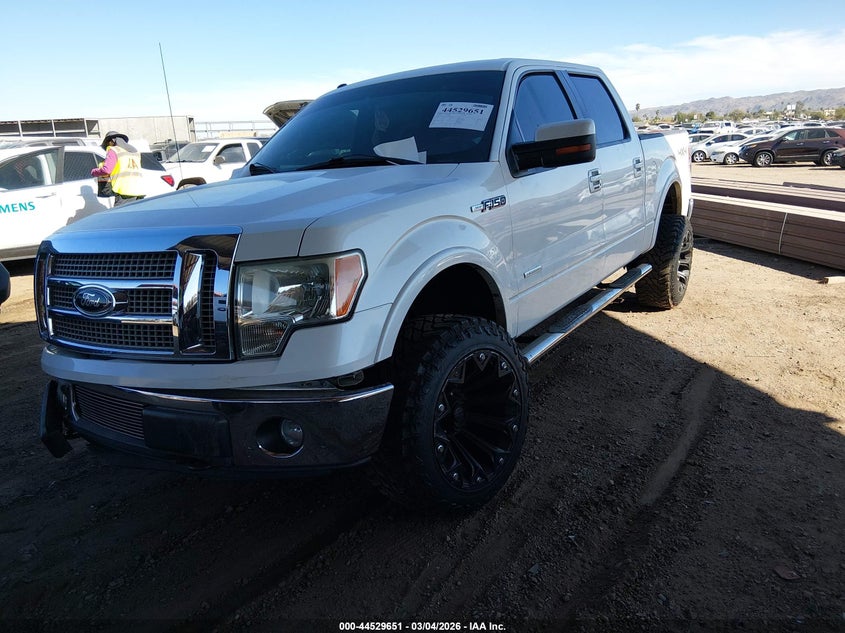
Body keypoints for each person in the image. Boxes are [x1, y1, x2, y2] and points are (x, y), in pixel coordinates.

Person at [91, 131, 145, 206]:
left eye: (107, 144)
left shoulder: (113, 150)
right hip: (139, 191)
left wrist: (94, 172)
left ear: (111, 141)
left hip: (125, 192)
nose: (107, 146)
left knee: (119, 216)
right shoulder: (135, 152)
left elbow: (107, 170)